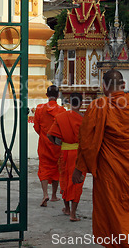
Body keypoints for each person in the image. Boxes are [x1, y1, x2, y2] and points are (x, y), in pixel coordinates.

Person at [73, 69, 129, 247]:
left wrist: (80, 167)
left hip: (110, 171)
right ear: (124, 86)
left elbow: (86, 141)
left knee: (112, 211)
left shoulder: (98, 106)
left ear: (104, 87)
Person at [47, 93, 85, 222]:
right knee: (76, 182)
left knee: (64, 179)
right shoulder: (84, 119)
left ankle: (67, 208)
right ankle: (73, 214)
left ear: (69, 102)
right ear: (81, 102)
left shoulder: (61, 117)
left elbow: (50, 135)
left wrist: (58, 143)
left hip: (64, 152)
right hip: (78, 154)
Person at [33, 85, 66, 207]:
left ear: (47, 95)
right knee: (57, 168)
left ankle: (45, 194)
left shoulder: (39, 109)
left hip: (44, 142)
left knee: (44, 167)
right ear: (58, 96)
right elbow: (63, 128)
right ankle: (53, 195)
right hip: (57, 144)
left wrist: (43, 135)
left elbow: (37, 127)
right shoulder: (62, 110)